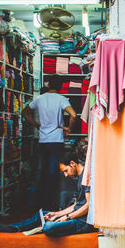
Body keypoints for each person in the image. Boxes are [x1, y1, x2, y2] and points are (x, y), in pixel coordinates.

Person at [0, 153, 96, 236]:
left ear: (72, 163)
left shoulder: (87, 177)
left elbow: (88, 206)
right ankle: (14, 228)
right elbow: (76, 205)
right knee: (43, 214)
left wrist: (68, 217)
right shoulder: (79, 177)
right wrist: (57, 214)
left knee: (48, 227)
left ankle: (52, 225)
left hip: (83, 223)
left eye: (66, 170)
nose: (66, 175)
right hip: (75, 217)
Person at [22, 78, 77, 210]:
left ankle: (38, 204)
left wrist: (37, 125)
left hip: (42, 140)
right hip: (56, 140)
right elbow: (73, 115)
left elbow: (25, 112)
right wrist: (69, 128)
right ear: (60, 87)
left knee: (41, 171)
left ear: (48, 85)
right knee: (53, 173)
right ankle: (51, 204)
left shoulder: (39, 99)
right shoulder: (61, 99)